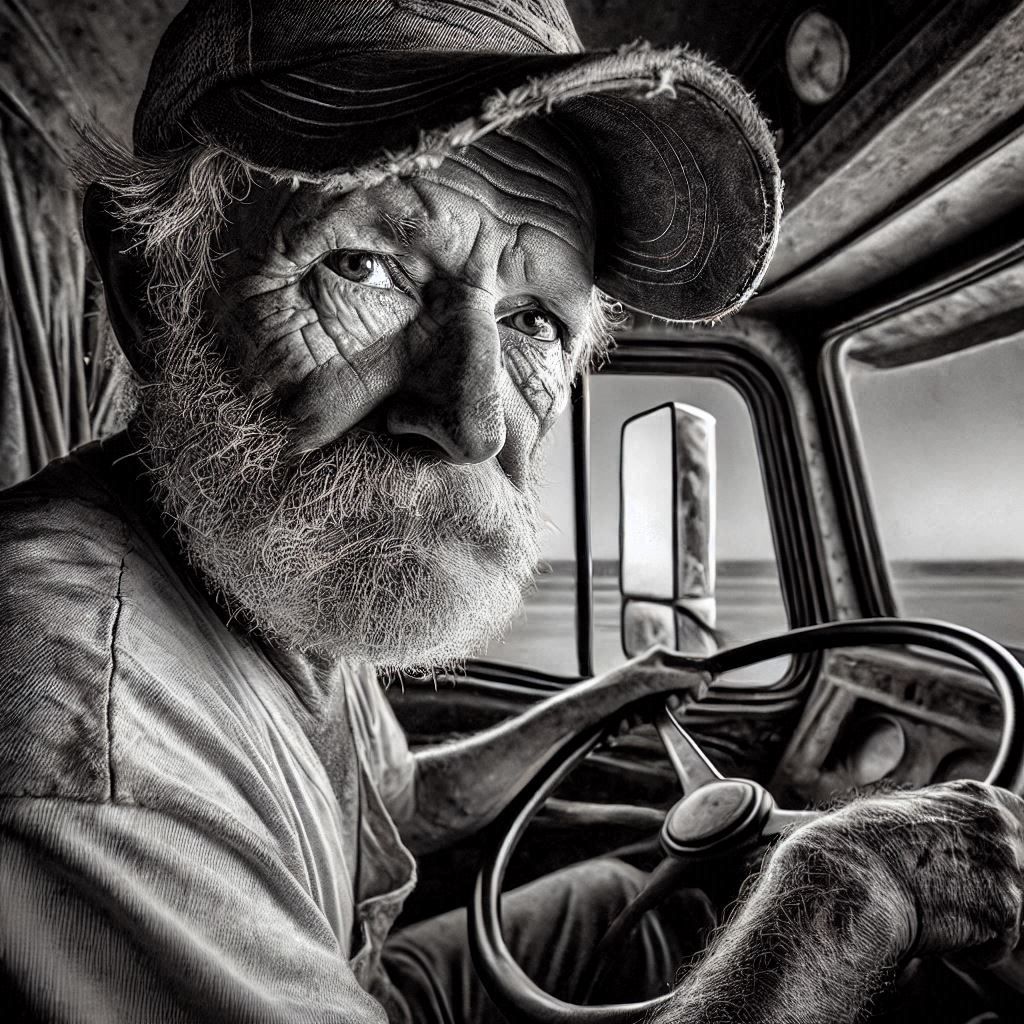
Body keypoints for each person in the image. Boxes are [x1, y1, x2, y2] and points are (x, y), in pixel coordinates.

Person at [1, 1, 1022, 1021]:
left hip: (362, 977)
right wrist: (851, 894)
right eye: (363, 266)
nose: (473, 420)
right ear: (148, 288)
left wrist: (593, 703)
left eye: (532, 320)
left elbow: (400, 806)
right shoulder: (86, 752)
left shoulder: (260, 557)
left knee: (628, 903)